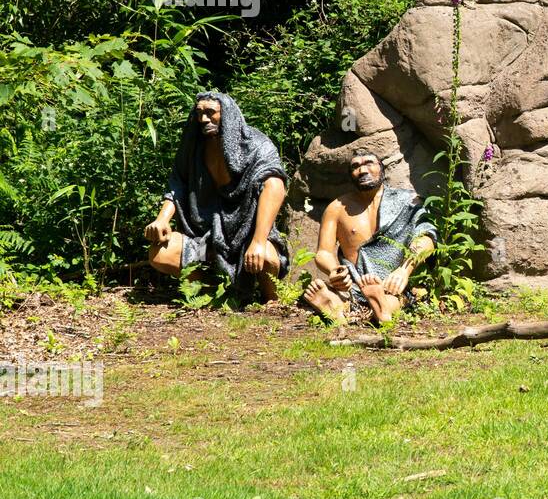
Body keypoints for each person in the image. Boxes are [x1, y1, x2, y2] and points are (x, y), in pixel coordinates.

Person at [144, 92, 289, 303]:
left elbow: (275, 185)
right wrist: (162, 219)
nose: (204, 119)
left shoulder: (255, 144)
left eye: (211, 113)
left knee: (265, 257)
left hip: (247, 236)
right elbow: (178, 184)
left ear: (227, 114)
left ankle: (272, 302)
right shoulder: (193, 148)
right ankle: (211, 294)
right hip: (204, 238)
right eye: (199, 113)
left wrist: (258, 240)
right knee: (161, 253)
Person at [302, 150, 436, 325]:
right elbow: (324, 252)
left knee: (403, 296)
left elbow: (427, 237)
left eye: (369, 163)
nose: (362, 170)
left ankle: (375, 306)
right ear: (350, 175)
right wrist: (335, 271)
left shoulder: (408, 202)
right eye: (355, 166)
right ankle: (341, 307)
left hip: (393, 285)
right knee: (328, 288)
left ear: (382, 169)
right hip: (353, 284)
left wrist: (404, 270)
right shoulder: (336, 208)